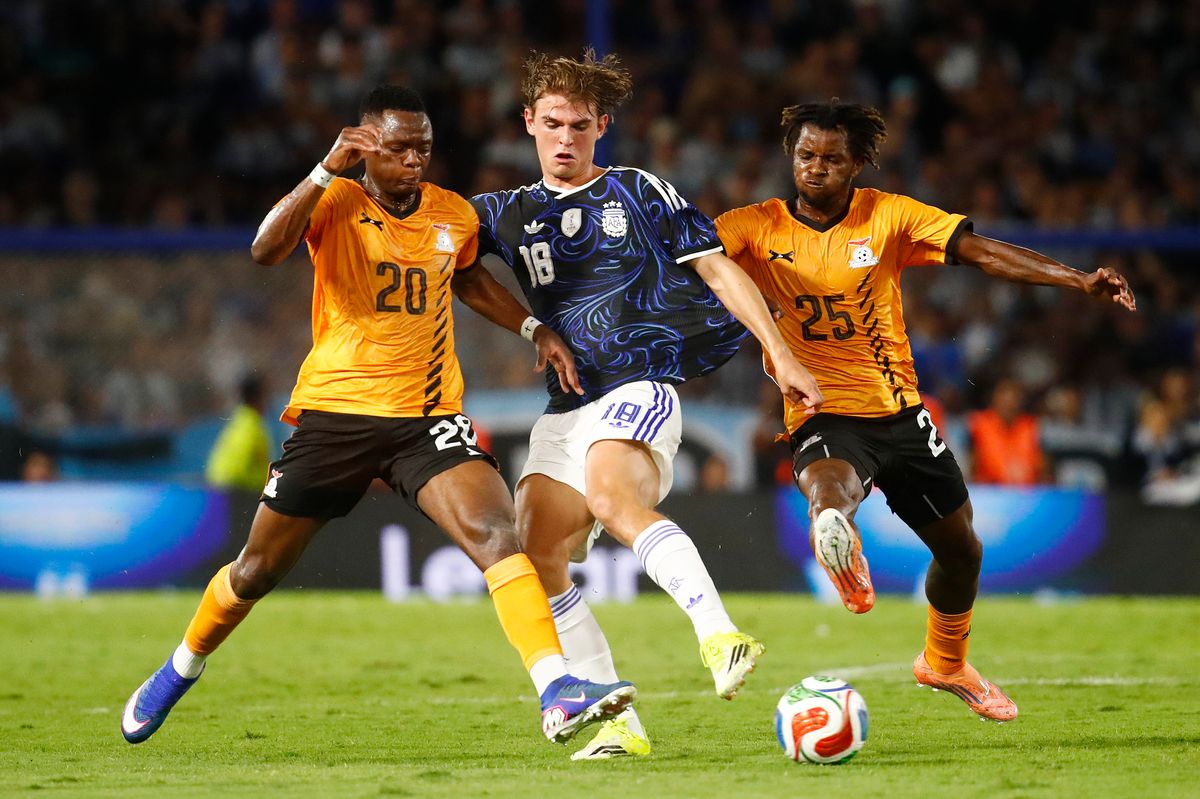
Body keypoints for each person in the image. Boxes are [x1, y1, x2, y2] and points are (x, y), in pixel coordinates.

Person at [120, 85, 637, 749]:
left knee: (497, 533)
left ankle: (556, 688)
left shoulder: (451, 212)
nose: (414, 158)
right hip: (336, 414)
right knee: (255, 570)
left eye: (422, 146)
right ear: (365, 146)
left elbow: (469, 278)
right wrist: (321, 170)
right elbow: (264, 249)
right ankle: (178, 668)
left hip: (427, 419)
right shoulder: (336, 200)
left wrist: (532, 325)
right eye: (398, 147)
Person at [716, 100, 1137, 722]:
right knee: (829, 484)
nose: (816, 169)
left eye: (833, 159)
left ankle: (944, 661)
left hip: (901, 412)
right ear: (791, 156)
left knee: (963, 551)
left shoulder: (888, 216)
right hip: (820, 407)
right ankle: (836, 529)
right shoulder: (752, 226)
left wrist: (1076, 280)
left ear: (857, 163)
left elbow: (981, 251)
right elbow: (691, 265)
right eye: (806, 156)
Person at [469, 51, 823, 759]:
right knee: (536, 554)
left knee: (612, 498)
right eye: (551, 124)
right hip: (565, 406)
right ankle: (618, 724)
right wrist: (531, 326)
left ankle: (720, 635)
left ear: (601, 126)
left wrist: (779, 353)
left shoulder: (637, 190)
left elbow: (717, 266)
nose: (564, 137)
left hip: (639, 385)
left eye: (578, 124)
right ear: (528, 125)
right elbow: (455, 267)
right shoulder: (505, 214)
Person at [967, 378, 1049, 485]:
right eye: (1003, 394)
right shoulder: (978, 424)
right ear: (993, 398)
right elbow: (970, 465)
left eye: (1014, 397)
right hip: (988, 493)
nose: (1009, 402)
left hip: (1028, 494)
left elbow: (1042, 467)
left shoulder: (1031, 426)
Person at [204, 374, 274, 491]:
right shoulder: (251, 425)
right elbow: (238, 466)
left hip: (222, 486)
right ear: (260, 396)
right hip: (237, 489)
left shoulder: (241, 418)